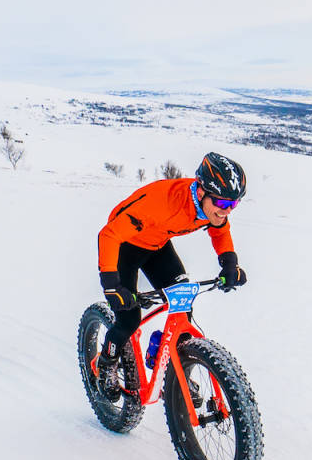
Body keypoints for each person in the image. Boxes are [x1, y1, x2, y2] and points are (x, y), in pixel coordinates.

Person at [94, 152, 249, 400]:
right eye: (222, 204)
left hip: (157, 245)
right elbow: (108, 235)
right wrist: (112, 285)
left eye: (233, 205)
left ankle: (173, 372)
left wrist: (230, 263)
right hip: (125, 246)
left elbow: (220, 231)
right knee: (128, 320)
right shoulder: (162, 204)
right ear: (201, 192)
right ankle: (107, 363)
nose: (226, 211)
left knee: (182, 307)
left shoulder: (211, 209)